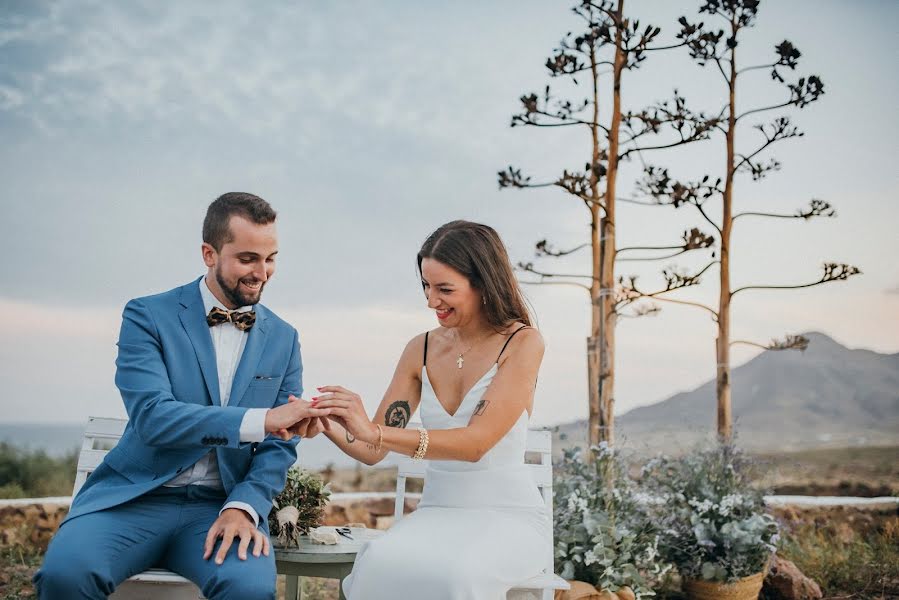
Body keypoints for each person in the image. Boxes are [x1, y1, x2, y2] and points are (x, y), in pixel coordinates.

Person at [34, 193, 331, 600]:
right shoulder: (146, 316)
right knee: (65, 575)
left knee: (249, 589)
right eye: (248, 259)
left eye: (271, 258)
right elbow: (154, 417)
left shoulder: (284, 337)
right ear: (209, 253)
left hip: (220, 506)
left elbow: (280, 447)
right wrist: (262, 420)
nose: (262, 273)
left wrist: (244, 506)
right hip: (134, 498)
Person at [313, 220, 550, 600]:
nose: (430, 300)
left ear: (484, 283)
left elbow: (475, 444)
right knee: (376, 562)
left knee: (458, 577)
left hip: (508, 517)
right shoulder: (419, 349)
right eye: (426, 285)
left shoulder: (522, 343)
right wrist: (327, 420)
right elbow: (373, 450)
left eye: (445, 289)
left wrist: (375, 431)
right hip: (437, 513)